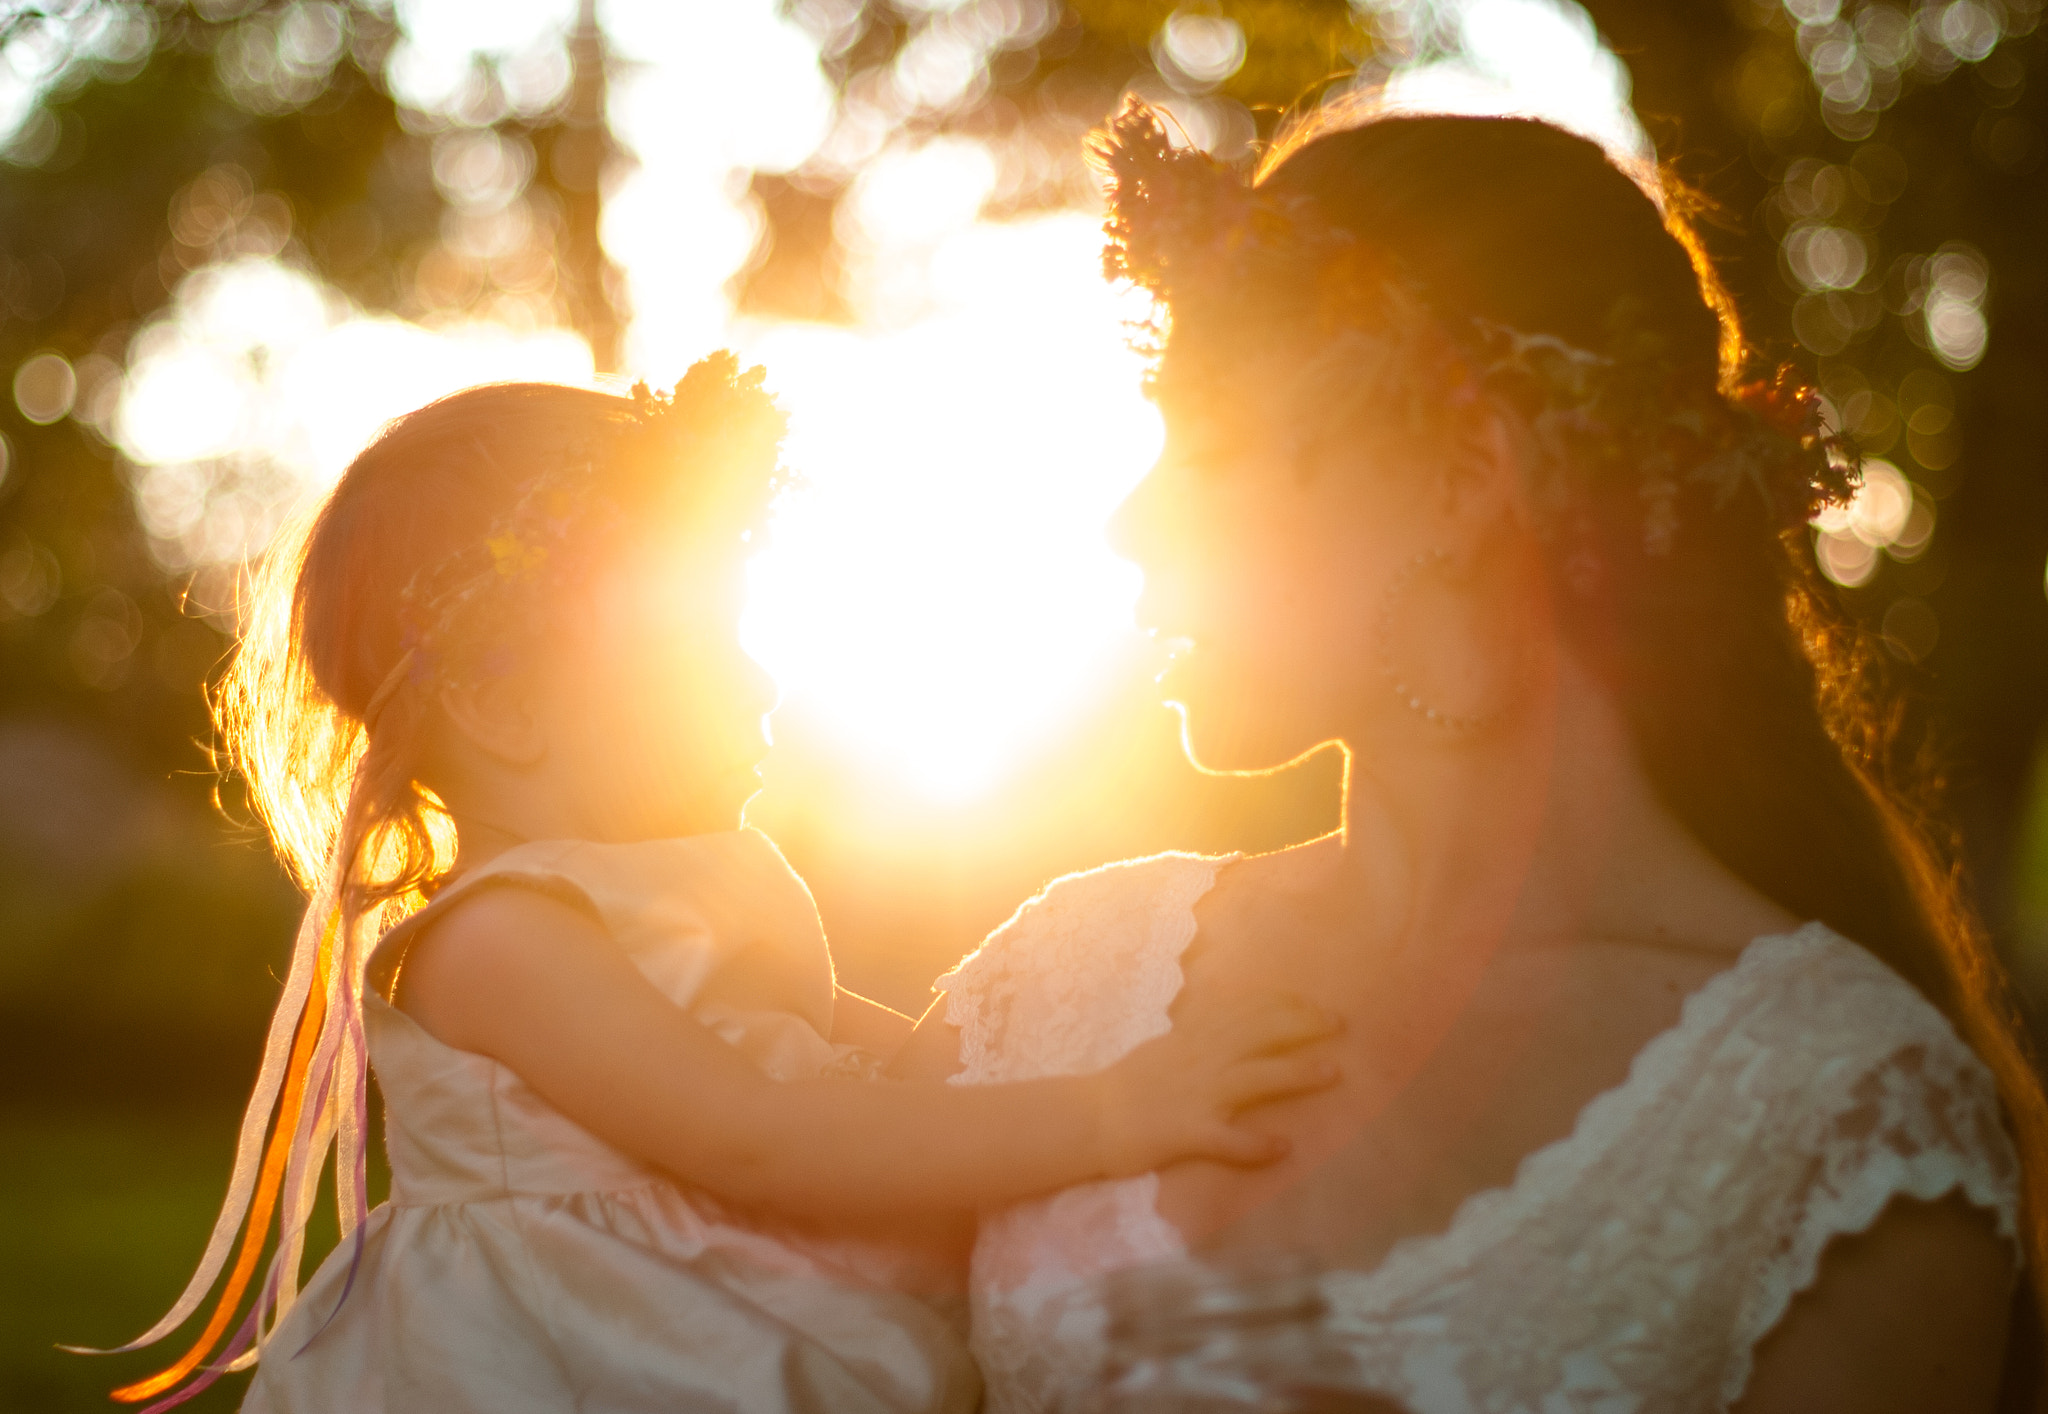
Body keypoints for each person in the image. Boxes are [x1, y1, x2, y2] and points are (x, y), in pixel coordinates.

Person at [895, 102, 2046, 1412]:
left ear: (1459, 479)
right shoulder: (1060, 979)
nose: (1129, 518)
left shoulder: (1838, 1123)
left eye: (1208, 443)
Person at [81, 354, 1343, 1413]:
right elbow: (760, 1135)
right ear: (501, 701)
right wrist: (1117, 1106)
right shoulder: (503, 941)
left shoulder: (704, 887)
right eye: (695, 644)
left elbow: (914, 1068)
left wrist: (1099, 1018)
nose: (759, 679)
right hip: (569, 1364)